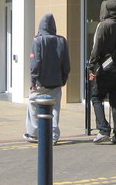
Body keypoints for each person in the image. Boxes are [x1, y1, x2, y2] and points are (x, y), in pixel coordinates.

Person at [88, 0, 116, 144]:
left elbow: (96, 48)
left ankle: (103, 129)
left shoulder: (103, 26)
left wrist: (91, 67)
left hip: (105, 69)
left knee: (96, 97)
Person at [24, 13, 70, 145]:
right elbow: (66, 63)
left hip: (40, 83)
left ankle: (34, 133)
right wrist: (63, 79)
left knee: (33, 105)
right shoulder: (62, 41)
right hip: (56, 82)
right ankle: (53, 136)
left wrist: (33, 81)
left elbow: (35, 63)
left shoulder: (38, 41)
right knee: (55, 109)